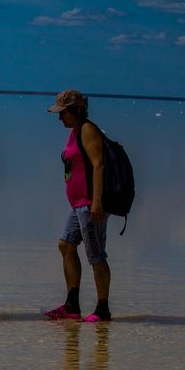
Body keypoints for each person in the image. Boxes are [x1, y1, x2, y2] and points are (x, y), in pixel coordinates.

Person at [44, 89, 112, 323]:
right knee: (66, 245)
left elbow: (99, 165)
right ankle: (72, 305)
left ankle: (103, 310)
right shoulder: (74, 132)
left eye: (63, 113)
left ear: (75, 110)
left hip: (90, 204)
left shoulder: (87, 130)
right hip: (78, 206)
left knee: (96, 255)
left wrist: (97, 203)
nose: (59, 117)